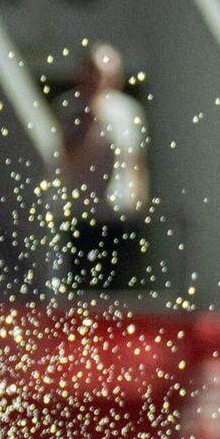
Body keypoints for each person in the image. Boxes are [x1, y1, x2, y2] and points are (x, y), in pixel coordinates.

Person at [54, 43, 149, 293]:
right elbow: (68, 154)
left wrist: (139, 198)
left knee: (120, 282)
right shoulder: (70, 108)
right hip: (83, 212)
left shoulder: (127, 110)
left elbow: (135, 159)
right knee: (83, 284)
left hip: (119, 210)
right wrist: (90, 116)